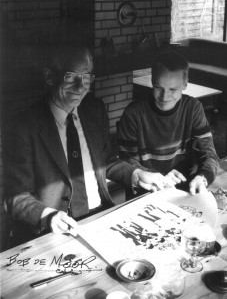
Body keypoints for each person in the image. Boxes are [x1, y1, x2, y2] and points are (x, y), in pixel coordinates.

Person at [2, 44, 173, 247]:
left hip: (101, 216)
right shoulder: (23, 126)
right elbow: (16, 197)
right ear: (49, 76)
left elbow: (106, 161)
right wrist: (48, 217)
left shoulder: (94, 110)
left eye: (86, 78)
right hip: (54, 230)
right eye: (71, 77)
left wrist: (137, 175)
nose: (80, 86)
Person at [118, 51, 219, 196]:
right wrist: (159, 179)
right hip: (146, 190)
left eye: (173, 89)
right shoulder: (133, 114)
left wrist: (202, 178)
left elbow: (209, 154)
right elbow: (127, 162)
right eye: (158, 87)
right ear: (152, 81)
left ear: (185, 84)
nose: (164, 97)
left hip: (185, 188)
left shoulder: (193, 108)